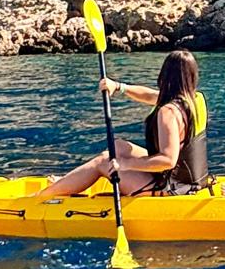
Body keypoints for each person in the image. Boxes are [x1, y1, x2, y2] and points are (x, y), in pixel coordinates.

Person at [36, 50, 209, 198]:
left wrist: (126, 165)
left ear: (164, 75)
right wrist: (119, 86)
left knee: (103, 161)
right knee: (118, 147)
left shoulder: (168, 113)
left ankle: (42, 197)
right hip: (190, 179)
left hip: (175, 187)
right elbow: (150, 96)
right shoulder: (196, 100)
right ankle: (67, 182)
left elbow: (168, 160)